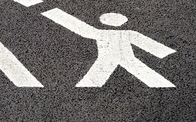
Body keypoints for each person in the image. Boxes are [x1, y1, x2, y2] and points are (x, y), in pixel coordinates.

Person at [42, 9, 176, 88]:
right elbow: (152, 46)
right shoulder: (130, 33)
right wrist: (163, 52)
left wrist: (56, 14)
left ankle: (85, 92)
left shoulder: (102, 32)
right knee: (138, 69)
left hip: (109, 58)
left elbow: (85, 31)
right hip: (123, 58)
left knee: (95, 77)